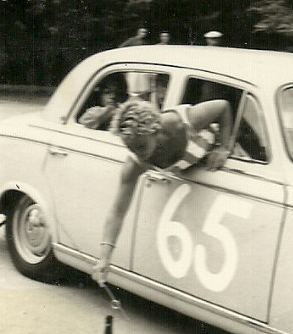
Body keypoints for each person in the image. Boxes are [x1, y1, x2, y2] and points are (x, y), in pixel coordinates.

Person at [92, 98, 233, 285]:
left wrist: (224, 147)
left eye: (141, 146)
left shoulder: (182, 123)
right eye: (131, 148)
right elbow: (117, 211)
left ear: (155, 131)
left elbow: (223, 106)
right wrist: (104, 258)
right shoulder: (135, 163)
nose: (137, 153)